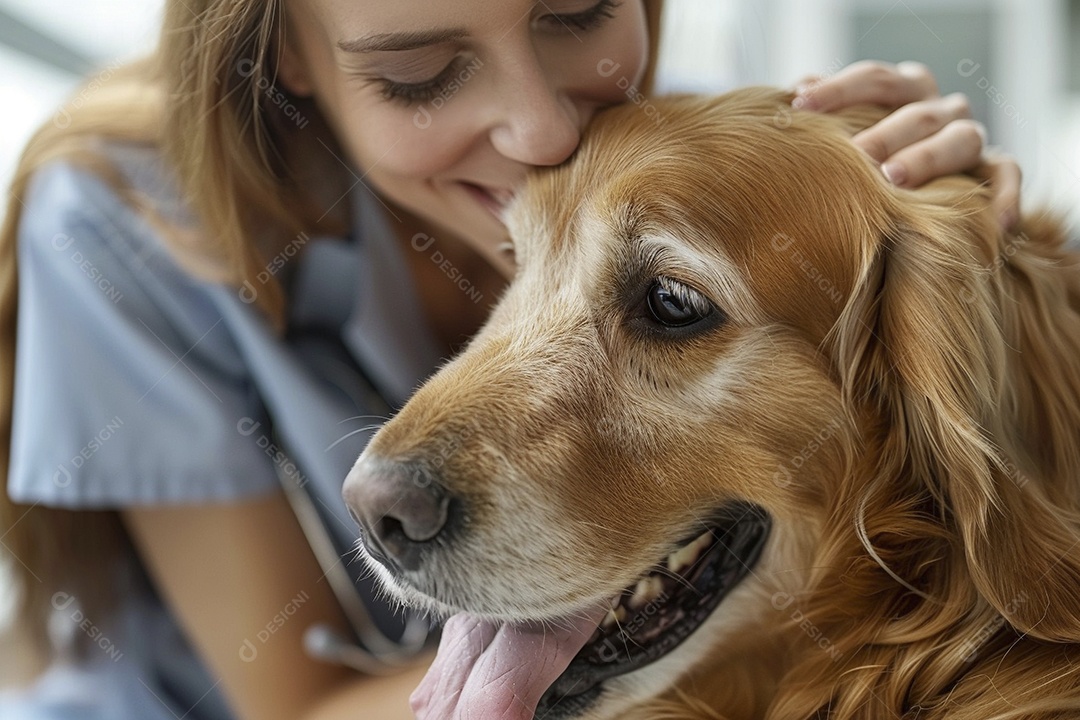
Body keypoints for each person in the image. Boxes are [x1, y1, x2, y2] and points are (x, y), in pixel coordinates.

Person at [0, 1, 1021, 718]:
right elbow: (294, 707)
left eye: (577, 13)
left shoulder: (714, 148)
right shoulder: (116, 222)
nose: (541, 129)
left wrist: (989, 258)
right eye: (418, 73)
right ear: (290, 56)